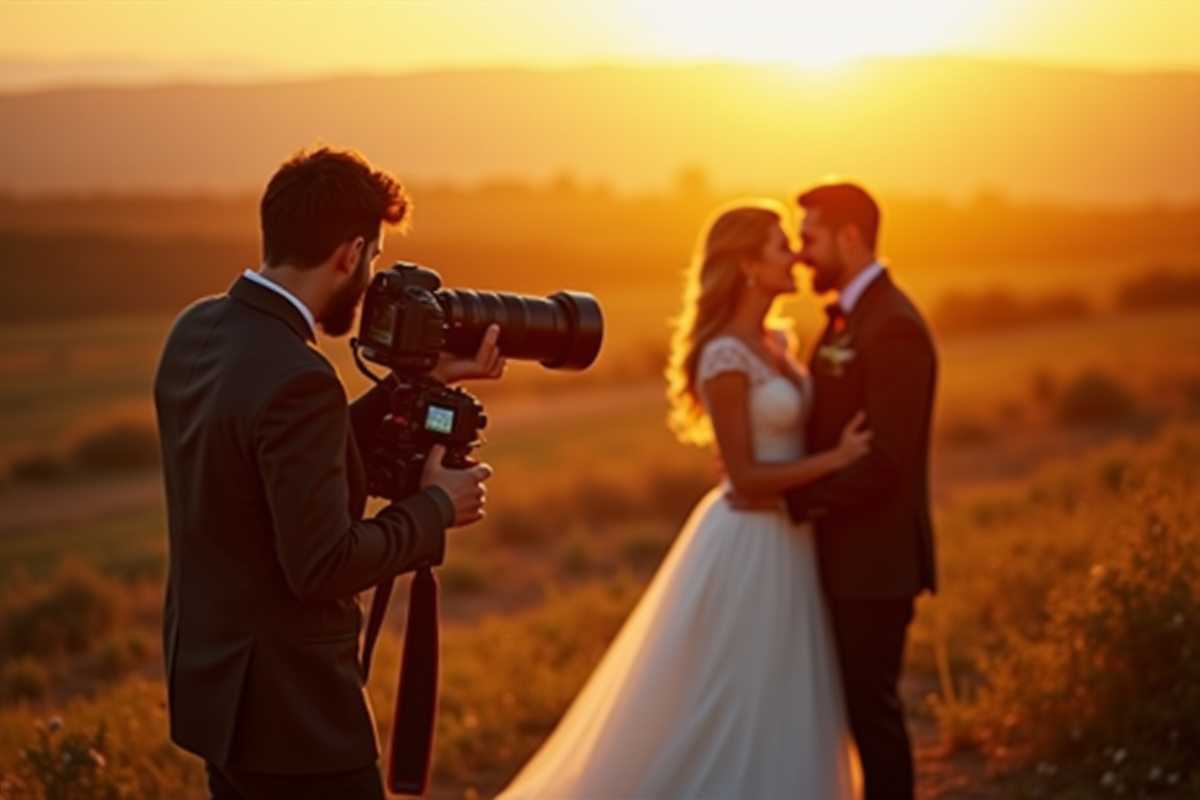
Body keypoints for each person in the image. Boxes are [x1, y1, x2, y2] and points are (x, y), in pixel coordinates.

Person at [153, 145, 500, 800]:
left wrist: (415, 382)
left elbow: (275, 458)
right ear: (349, 254)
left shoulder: (197, 328)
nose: (370, 278)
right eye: (372, 258)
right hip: (293, 721)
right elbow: (322, 565)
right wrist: (435, 508)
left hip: (217, 695)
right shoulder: (298, 377)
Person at [496, 199, 869, 799]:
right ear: (747, 264)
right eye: (781, 248)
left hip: (792, 533)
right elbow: (744, 477)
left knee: (785, 684)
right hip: (749, 539)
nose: (795, 257)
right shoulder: (723, 355)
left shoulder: (779, 341)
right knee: (738, 688)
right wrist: (836, 460)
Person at [768, 181, 938, 800]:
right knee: (843, 715)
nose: (801, 253)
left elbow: (886, 461)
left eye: (809, 238)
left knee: (873, 718)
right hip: (839, 558)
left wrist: (793, 500)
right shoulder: (847, 319)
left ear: (848, 237)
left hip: (875, 564)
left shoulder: (893, 326)